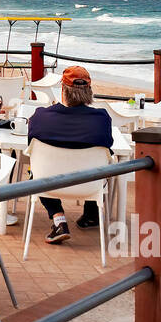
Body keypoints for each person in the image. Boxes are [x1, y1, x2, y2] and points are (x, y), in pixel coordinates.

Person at [28, 65, 115, 244]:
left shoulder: (41, 117)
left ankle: (59, 219)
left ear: (63, 90)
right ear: (89, 91)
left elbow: (29, 144)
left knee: (35, 172)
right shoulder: (102, 119)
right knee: (101, 165)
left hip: (49, 184)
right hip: (90, 186)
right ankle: (91, 214)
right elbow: (108, 146)